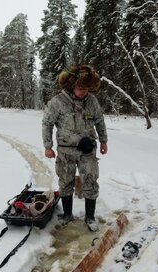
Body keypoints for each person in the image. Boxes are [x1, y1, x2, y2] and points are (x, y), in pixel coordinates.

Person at [42, 64, 108, 232]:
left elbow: (99, 121)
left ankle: (90, 217)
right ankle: (67, 215)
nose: (83, 92)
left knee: (91, 182)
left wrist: (104, 141)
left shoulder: (91, 101)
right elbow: (47, 124)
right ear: (71, 86)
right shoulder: (58, 102)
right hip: (65, 151)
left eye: (86, 88)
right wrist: (48, 146)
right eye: (80, 88)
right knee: (65, 183)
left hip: (87, 150)